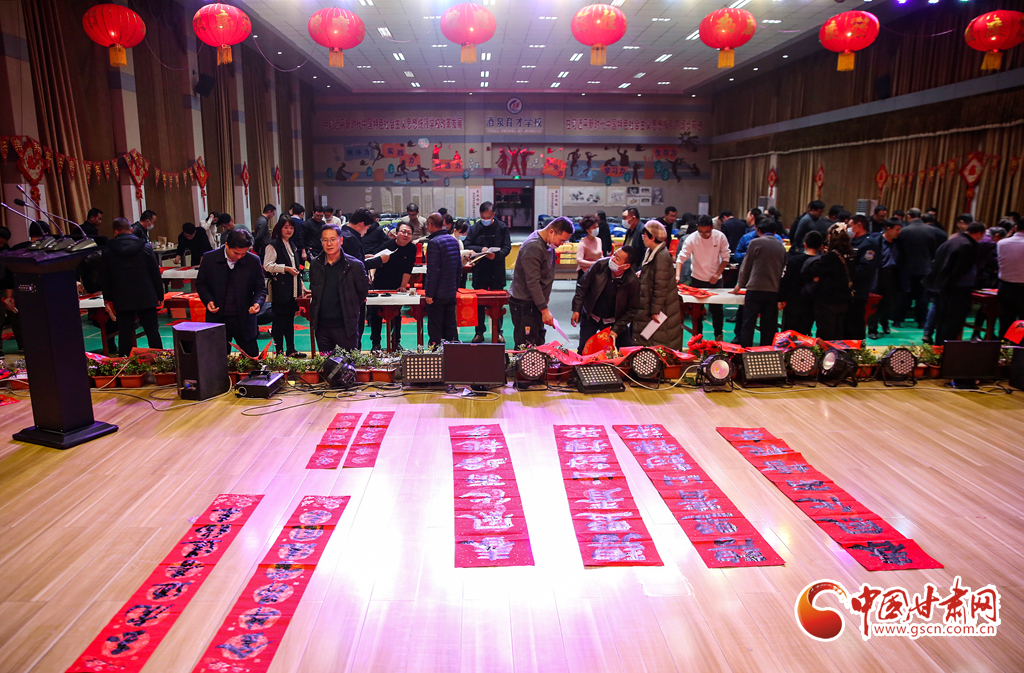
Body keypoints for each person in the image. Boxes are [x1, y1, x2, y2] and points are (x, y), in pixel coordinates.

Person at [196, 229, 267, 357]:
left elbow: (260, 288)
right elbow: (201, 284)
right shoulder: (209, 258)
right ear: (227, 245)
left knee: (252, 358)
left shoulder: (253, 260)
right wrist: (208, 300)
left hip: (243, 317)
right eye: (236, 253)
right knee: (217, 358)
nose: (239, 257)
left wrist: (257, 303)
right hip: (218, 317)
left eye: (243, 253)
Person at [100, 217, 163, 356]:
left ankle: (125, 363)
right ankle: (160, 360)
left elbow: (105, 277)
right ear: (132, 230)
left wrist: (107, 299)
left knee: (125, 333)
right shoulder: (145, 247)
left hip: (121, 297)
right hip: (146, 295)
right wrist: (160, 295)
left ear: (116, 231)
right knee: (152, 331)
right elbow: (155, 273)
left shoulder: (108, 250)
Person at [509, 217, 574, 347]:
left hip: (534, 303)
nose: (562, 244)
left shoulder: (547, 243)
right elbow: (533, 282)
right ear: (552, 232)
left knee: (538, 342)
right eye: (562, 240)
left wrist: (544, 299)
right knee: (526, 346)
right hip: (524, 304)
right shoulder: (533, 247)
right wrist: (544, 310)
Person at [308, 223, 369, 353]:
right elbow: (315, 290)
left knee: (348, 363)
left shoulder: (354, 265)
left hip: (345, 326)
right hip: (322, 327)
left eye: (332, 239)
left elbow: (362, 293)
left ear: (340, 241)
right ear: (321, 242)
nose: (329, 244)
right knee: (326, 363)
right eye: (325, 240)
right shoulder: (315, 264)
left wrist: (349, 306)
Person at [924, 222, 985, 345]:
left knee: (943, 318)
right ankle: (947, 347)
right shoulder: (968, 245)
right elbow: (960, 270)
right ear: (978, 233)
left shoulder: (951, 241)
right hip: (958, 288)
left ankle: (939, 345)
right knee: (953, 321)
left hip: (943, 285)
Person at [572, 246, 639, 354]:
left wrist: (616, 329)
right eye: (614, 255)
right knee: (583, 351)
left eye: (617, 259)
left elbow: (632, 309)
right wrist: (576, 309)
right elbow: (582, 286)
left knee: (628, 353)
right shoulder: (600, 265)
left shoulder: (632, 281)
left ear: (626, 266)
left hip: (614, 321)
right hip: (591, 316)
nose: (613, 259)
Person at [732, 219, 786, 347]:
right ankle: (766, 351)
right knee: (768, 325)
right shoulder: (781, 246)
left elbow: (746, 266)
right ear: (775, 232)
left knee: (748, 323)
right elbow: (783, 270)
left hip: (755, 289)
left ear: (758, 230)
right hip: (773, 290)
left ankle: (745, 351)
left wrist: (740, 284)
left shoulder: (755, 243)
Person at [675, 215, 730, 340]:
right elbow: (681, 258)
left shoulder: (720, 237)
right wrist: (677, 275)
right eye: (701, 231)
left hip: (715, 279)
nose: (704, 234)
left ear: (712, 227)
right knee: (697, 311)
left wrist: (717, 274)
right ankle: (697, 336)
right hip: (697, 278)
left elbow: (726, 257)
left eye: (707, 232)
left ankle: (718, 335)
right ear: (697, 227)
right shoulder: (692, 238)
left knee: (717, 309)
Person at [465, 201, 512, 342]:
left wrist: (496, 255)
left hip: (496, 270)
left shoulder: (502, 228)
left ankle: (498, 332)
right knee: (479, 303)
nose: (485, 220)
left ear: (494, 215)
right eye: (483, 217)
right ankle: (479, 332)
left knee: (497, 303)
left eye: (488, 217)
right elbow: (467, 244)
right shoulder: (475, 228)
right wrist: (481, 250)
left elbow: (507, 247)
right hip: (480, 271)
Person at [633, 221, 683, 349]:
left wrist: (655, 310)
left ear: (652, 237)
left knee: (659, 340)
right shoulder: (652, 252)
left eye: (644, 236)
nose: (643, 238)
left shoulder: (661, 256)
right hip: (651, 303)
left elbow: (661, 286)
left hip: (661, 308)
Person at [368, 222, 416, 351]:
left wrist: (403, 286)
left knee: (396, 314)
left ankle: (396, 342)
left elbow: (408, 269)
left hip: (396, 285)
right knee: (376, 314)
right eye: (403, 231)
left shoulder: (412, 248)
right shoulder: (387, 245)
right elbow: (374, 261)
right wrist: (371, 275)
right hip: (380, 283)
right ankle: (376, 344)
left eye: (409, 233)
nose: (405, 235)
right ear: (397, 232)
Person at [895, 212, 946, 328]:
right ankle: (921, 321)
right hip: (925, 267)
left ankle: (898, 320)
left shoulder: (904, 231)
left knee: (904, 295)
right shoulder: (932, 231)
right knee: (923, 296)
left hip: (906, 267)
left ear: (909, 216)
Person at [264, 215, 305, 357]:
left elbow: (296, 268)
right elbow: (267, 266)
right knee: (279, 322)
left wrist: (301, 285)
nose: (289, 230)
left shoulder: (292, 244)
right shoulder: (273, 245)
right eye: (286, 227)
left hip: (293, 289)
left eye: (291, 227)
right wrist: (285, 269)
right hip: (280, 290)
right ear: (279, 228)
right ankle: (279, 351)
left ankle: (291, 349)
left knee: (289, 321)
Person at [804, 227, 853, 340]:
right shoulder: (850, 255)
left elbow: (814, 269)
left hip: (828, 301)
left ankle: (826, 352)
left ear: (830, 237)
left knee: (825, 334)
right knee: (838, 332)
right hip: (844, 300)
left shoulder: (831, 256)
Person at [424, 212, 462, 346]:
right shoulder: (453, 240)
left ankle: (436, 354)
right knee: (450, 326)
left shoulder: (434, 243)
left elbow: (433, 271)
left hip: (437, 294)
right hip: (450, 291)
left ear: (430, 225)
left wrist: (429, 294)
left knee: (436, 329)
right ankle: (453, 354)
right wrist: (455, 287)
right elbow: (459, 267)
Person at [779, 230, 823, 335]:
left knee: (789, 333)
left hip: (793, 303)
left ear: (805, 244)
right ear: (821, 246)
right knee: (805, 333)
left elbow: (786, 280)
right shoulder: (822, 262)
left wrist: (780, 299)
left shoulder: (794, 260)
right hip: (811, 303)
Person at [867, 220, 902, 339]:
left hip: (893, 275)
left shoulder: (899, 242)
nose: (899, 232)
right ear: (888, 228)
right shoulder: (876, 241)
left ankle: (884, 322)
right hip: (878, 274)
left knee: (889, 303)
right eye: (897, 229)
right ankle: (872, 329)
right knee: (875, 304)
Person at [998, 219, 1024, 338]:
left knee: (1005, 321)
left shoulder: (1002, 243)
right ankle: (1018, 346)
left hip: (1005, 287)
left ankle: (1004, 346)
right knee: (1022, 323)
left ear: (1015, 227)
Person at [575, 215, 603, 280]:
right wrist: (593, 264)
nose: (596, 229)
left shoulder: (599, 240)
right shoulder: (582, 243)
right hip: (585, 274)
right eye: (594, 227)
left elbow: (600, 255)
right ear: (587, 230)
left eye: (597, 226)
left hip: (597, 273)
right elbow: (579, 260)